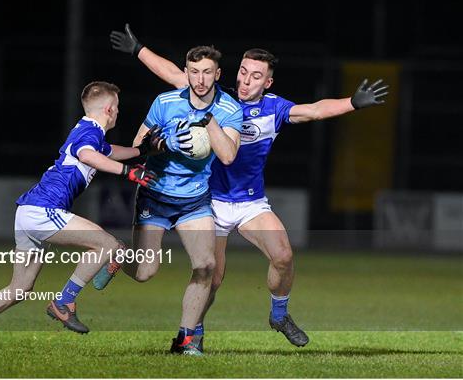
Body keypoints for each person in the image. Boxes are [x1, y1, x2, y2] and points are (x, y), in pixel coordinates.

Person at [99, 24, 390, 352]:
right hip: (211, 202)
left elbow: (314, 111)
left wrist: (353, 102)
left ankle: (279, 315)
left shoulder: (274, 109)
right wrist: (138, 48)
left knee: (283, 256)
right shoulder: (215, 97)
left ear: (267, 82)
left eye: (255, 76)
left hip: (251, 202)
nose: (245, 80)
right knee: (213, 277)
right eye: (242, 72)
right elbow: (173, 73)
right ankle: (194, 333)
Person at [0, 81, 162, 354]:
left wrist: (143, 151)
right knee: (106, 244)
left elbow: (110, 152)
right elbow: (88, 155)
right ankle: (64, 302)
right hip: (43, 211)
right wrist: (128, 173)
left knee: (20, 288)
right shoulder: (90, 133)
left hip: (27, 213)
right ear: (109, 108)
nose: (118, 112)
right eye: (117, 107)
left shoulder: (89, 132)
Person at [95, 45, 243, 355]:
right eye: (193, 72)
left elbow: (228, 155)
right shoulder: (165, 102)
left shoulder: (230, 109)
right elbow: (138, 146)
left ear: (217, 74)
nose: (199, 79)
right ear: (186, 72)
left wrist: (209, 121)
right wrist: (162, 141)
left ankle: (185, 339)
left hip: (194, 199)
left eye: (206, 72)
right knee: (146, 272)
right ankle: (119, 257)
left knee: (206, 265)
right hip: (156, 193)